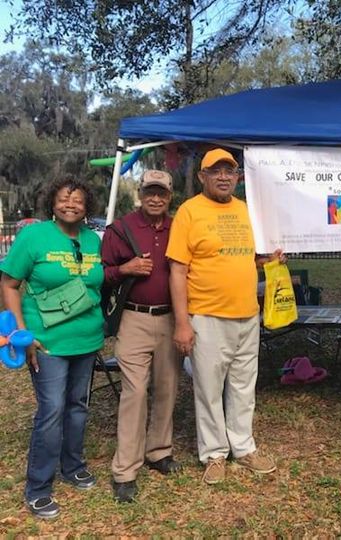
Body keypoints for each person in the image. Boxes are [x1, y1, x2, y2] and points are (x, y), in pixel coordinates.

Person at [167, 148, 284, 485]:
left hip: (248, 315)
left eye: (229, 171)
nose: (222, 176)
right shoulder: (189, 212)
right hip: (207, 316)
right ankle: (214, 454)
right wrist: (182, 322)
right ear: (202, 176)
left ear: (237, 177)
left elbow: (247, 258)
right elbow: (177, 271)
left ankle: (244, 448)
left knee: (244, 386)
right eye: (215, 171)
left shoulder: (247, 211)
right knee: (208, 388)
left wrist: (268, 260)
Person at [0, 176, 104, 519]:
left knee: (78, 405)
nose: (70, 204)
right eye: (63, 199)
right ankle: (38, 487)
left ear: (87, 205)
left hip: (86, 340)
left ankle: (72, 466)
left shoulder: (92, 240)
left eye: (77, 200)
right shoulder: (33, 236)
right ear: (52, 203)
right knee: (52, 411)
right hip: (48, 344)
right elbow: (10, 284)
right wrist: (22, 333)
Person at [102, 170, 181, 503]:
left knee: (167, 387)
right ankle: (125, 470)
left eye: (161, 193)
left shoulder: (179, 226)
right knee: (134, 393)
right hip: (134, 317)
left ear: (169, 196)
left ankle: (159, 451)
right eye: (149, 191)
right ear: (140, 193)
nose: (155, 198)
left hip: (171, 318)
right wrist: (125, 269)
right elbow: (100, 275)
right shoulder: (121, 229)